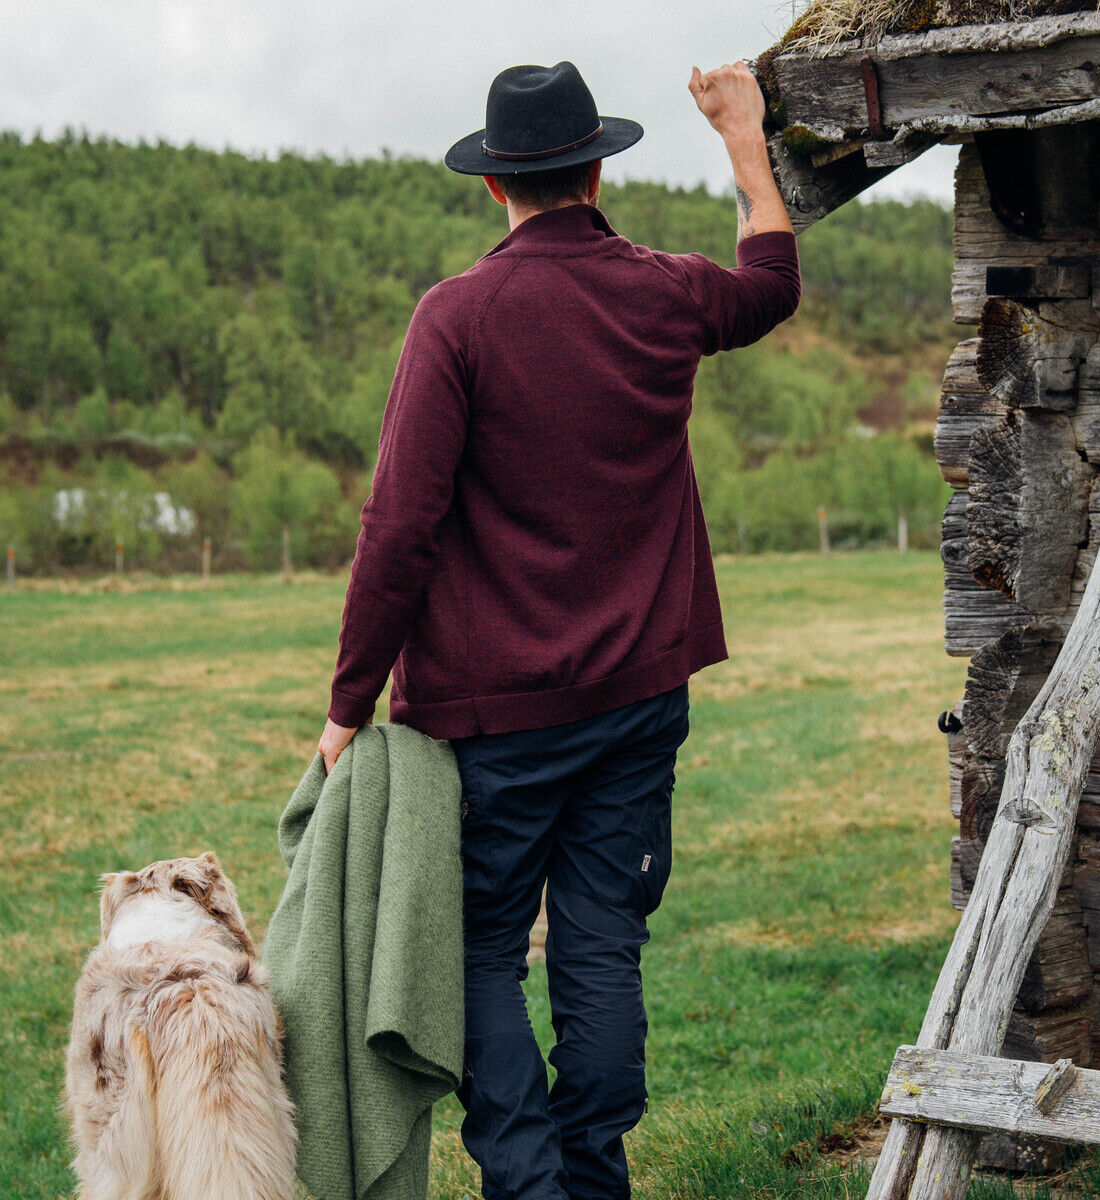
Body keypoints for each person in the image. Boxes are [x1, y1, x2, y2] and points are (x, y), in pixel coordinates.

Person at [316, 59, 799, 1200]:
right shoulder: (663, 292)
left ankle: (527, 1186)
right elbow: (768, 280)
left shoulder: (455, 316)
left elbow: (398, 527)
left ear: (495, 187)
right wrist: (741, 133)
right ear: (595, 169)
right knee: (599, 946)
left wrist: (347, 706)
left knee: (481, 950)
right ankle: (594, 1175)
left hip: (492, 719)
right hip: (638, 701)